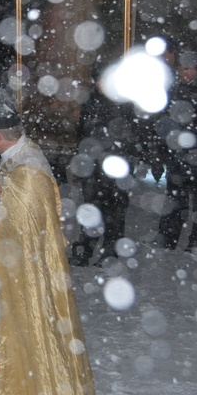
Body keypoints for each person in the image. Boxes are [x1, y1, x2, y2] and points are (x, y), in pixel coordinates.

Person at [0, 91, 97, 395]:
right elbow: (2, 216)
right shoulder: (19, 158)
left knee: (20, 339)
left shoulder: (25, 173)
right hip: (12, 275)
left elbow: (14, 233)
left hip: (19, 277)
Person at [154, 45, 197, 252]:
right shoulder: (174, 89)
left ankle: (196, 241)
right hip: (178, 154)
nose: (188, 73)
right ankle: (168, 237)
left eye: (191, 68)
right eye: (184, 69)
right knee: (175, 199)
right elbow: (164, 120)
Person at [71, 71, 138, 266]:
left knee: (114, 213)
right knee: (92, 210)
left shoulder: (123, 104)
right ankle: (85, 251)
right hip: (94, 167)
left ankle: (109, 252)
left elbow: (129, 136)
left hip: (114, 167)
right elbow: (83, 134)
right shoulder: (92, 102)